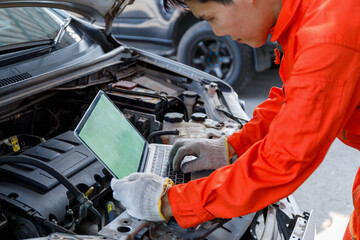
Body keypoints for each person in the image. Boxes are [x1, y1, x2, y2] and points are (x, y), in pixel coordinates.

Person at [110, 0, 360, 238]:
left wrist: (167, 202)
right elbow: (293, 100)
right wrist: (231, 146)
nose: (217, 32)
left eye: (211, 18)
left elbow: (283, 161)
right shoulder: (311, 16)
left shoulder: (327, 36)